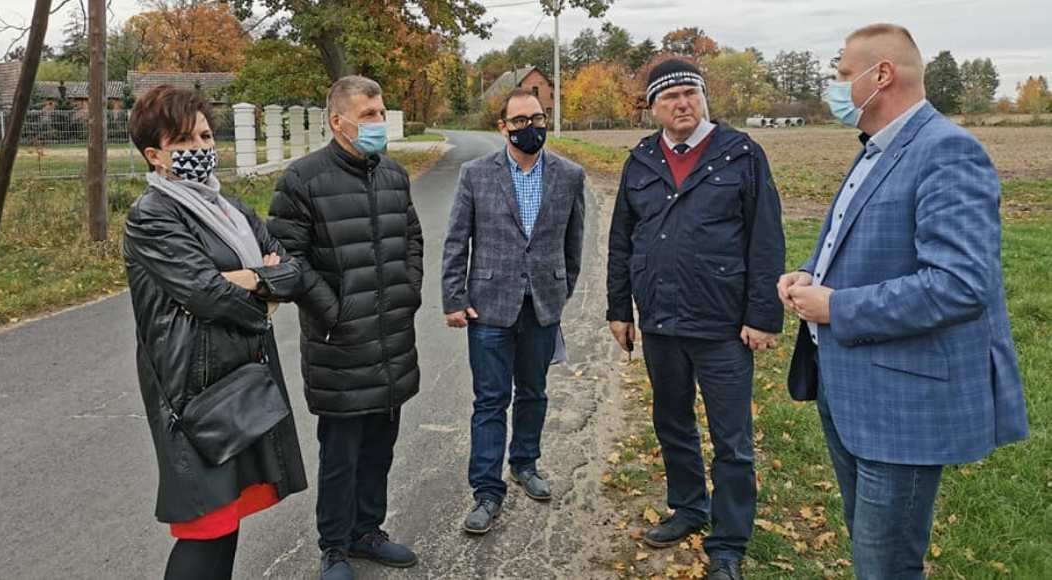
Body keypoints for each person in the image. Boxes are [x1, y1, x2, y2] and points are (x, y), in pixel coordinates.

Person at [779, 23, 1029, 580]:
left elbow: (960, 284)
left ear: (881, 75)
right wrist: (809, 274)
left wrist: (836, 307)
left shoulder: (947, 152)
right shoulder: (877, 150)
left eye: (844, 74)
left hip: (900, 406)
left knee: (886, 564)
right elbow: (864, 244)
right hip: (851, 390)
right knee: (873, 552)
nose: (836, 87)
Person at [606, 58, 785, 580]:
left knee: (732, 440)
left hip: (723, 324)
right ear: (653, 108)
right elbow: (621, 241)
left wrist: (762, 315)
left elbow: (766, 238)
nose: (682, 103)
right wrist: (619, 309)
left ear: (704, 99)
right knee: (672, 422)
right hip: (661, 321)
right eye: (670, 96)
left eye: (691, 93)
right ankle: (688, 508)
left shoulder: (741, 154)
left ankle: (727, 543)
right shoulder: (641, 160)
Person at [123, 85, 310, 580]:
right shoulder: (152, 215)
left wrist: (248, 279)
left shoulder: (232, 210)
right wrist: (263, 292)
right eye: (183, 140)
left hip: (240, 377)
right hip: (193, 390)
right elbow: (206, 294)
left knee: (227, 521)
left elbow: (294, 271)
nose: (201, 148)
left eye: (205, 136)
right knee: (205, 527)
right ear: (155, 155)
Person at [268, 76, 423, 580]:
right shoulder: (303, 180)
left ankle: (367, 531)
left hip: (392, 338)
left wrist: (408, 290)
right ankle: (334, 546)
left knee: (380, 446)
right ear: (338, 121)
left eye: (381, 112)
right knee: (341, 453)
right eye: (369, 115)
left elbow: (412, 237)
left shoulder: (394, 175)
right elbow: (287, 259)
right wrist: (334, 312)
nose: (380, 122)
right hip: (339, 345)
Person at [441, 88, 585, 534]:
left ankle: (525, 462)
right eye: (520, 121)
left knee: (534, 392)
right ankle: (487, 491)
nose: (530, 128)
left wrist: (559, 293)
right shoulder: (475, 174)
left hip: (541, 305)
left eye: (537, 119)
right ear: (503, 127)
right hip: (488, 307)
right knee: (490, 400)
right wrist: (454, 298)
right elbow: (456, 240)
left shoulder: (569, 175)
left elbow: (574, 245)